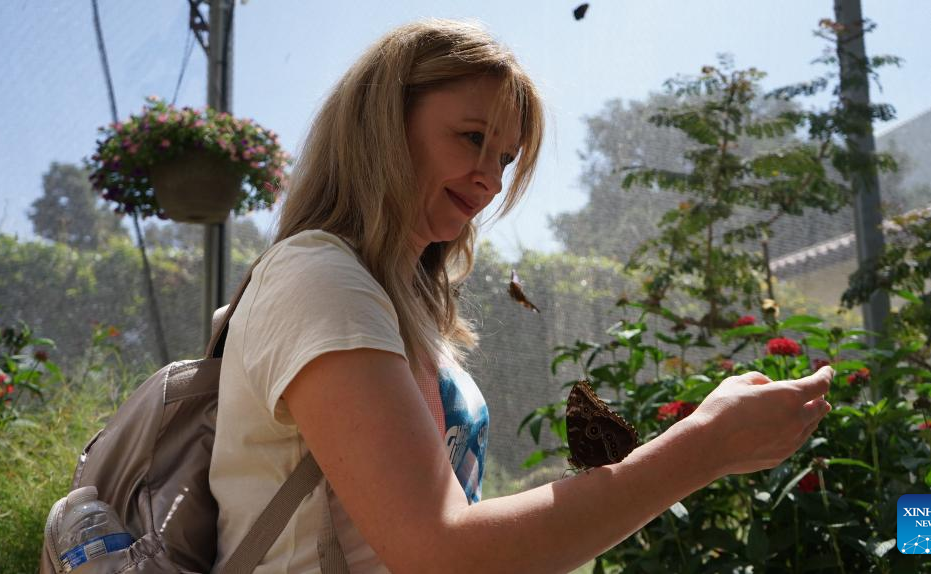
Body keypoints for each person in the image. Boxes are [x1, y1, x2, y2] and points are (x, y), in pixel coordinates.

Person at [208, 19, 834, 573]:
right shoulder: (319, 277)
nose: (490, 179)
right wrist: (705, 446)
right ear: (383, 126)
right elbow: (438, 553)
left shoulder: (396, 301)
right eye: (472, 137)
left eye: (506, 158)